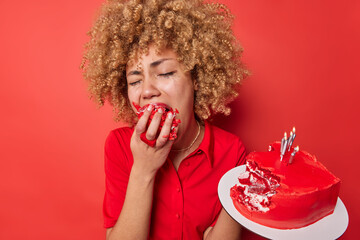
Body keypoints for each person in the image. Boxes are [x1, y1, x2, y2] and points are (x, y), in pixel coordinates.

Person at [81, 0, 249, 239]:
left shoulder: (232, 153)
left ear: (196, 78)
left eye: (165, 73)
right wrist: (143, 170)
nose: (147, 90)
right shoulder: (119, 146)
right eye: (135, 81)